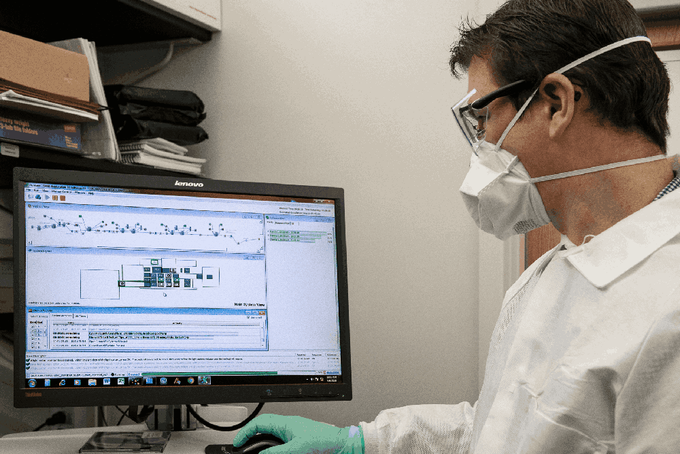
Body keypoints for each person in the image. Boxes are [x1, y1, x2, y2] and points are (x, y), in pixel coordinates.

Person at [233, 0, 680, 452]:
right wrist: (363, 441)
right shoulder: (559, 269)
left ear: (556, 103)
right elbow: (500, 427)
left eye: (485, 118)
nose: (484, 143)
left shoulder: (668, 310)